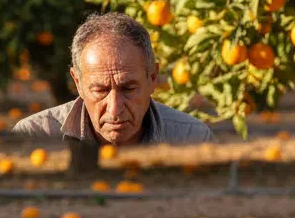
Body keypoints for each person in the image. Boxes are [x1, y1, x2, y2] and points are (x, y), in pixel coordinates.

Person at [11, 13, 213, 167]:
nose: (115, 110)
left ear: (152, 78)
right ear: (78, 82)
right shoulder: (34, 136)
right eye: (100, 90)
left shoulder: (191, 138)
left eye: (128, 88)